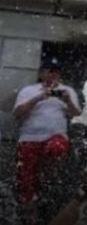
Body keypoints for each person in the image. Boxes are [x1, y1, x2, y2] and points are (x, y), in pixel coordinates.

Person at [12, 58, 82, 224]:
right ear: (41, 73)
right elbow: (16, 114)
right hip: (29, 139)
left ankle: (48, 175)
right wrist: (38, 98)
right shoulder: (28, 90)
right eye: (49, 71)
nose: (53, 74)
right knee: (25, 182)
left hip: (55, 136)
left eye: (56, 71)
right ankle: (29, 214)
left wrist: (68, 101)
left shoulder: (67, 91)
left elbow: (76, 115)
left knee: (56, 147)